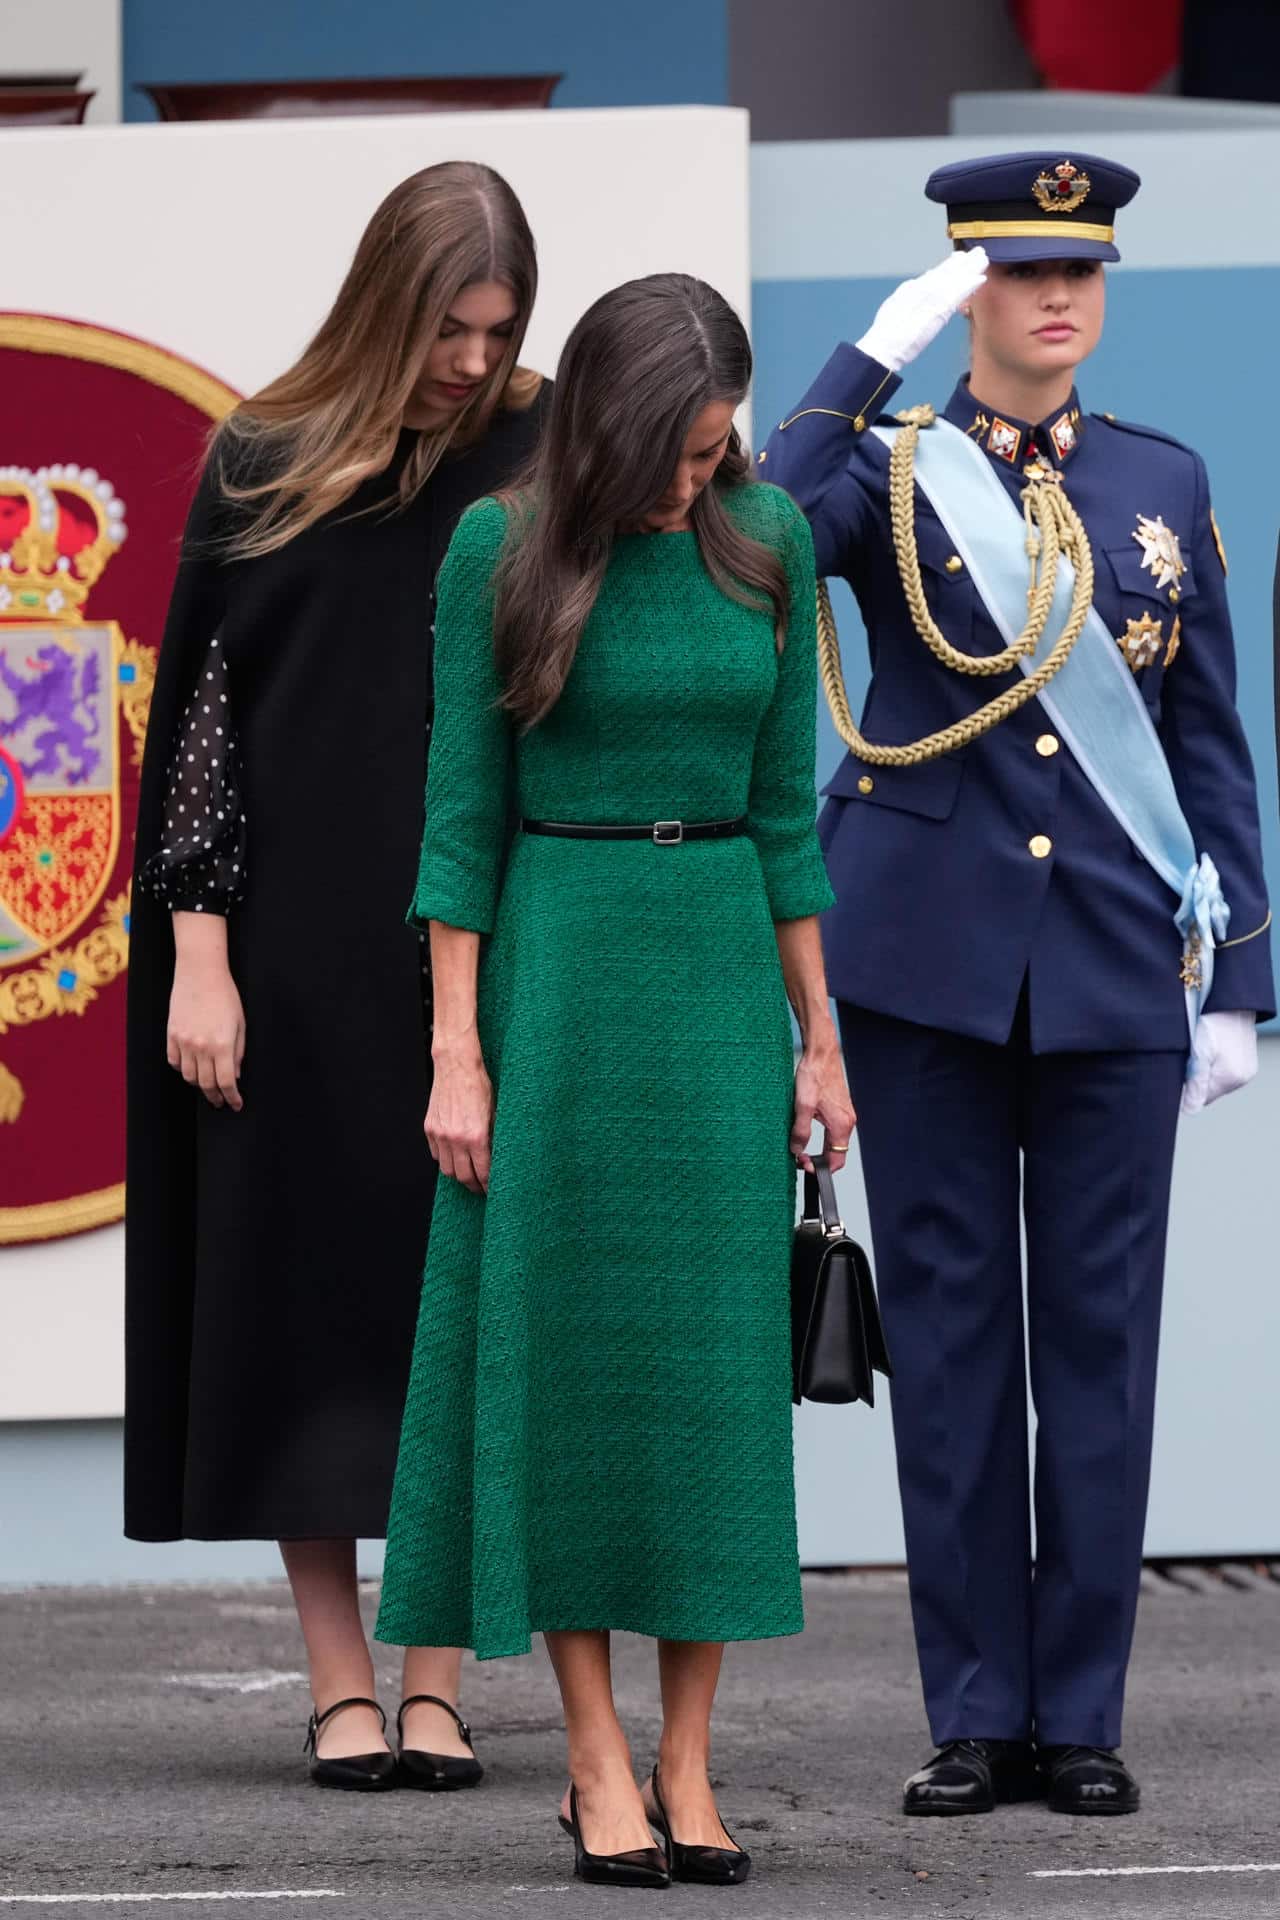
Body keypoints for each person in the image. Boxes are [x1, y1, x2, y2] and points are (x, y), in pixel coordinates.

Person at [763, 151, 1274, 1819]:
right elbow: (759, 532)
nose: (1057, 296)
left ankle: (1086, 1714)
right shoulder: (887, 469)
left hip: (1115, 967)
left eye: (1082, 270)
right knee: (955, 1343)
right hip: (925, 969)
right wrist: (865, 362)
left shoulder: (1163, 476)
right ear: (964, 289)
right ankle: (978, 1711)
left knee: (1101, 1351)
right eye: (1020, 269)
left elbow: (1207, 740)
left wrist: (1238, 978)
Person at [374, 273, 853, 1887]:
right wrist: (458, 1052)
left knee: (712, 1381)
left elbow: (785, 816)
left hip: (715, 981)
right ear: (604, 424)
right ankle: (594, 1759)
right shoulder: (498, 550)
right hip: (559, 982)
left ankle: (690, 1763)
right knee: (569, 1374)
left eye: (717, 451)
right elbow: (460, 825)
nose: (695, 481)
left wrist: (820, 1037)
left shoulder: (769, 541)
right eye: (675, 453)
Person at [126, 162, 550, 1790]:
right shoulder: (268, 452)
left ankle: (436, 1678)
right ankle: (337, 1683)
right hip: (288, 957)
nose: (473, 361)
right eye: (449, 328)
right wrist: (200, 959)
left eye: (499, 329)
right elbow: (203, 727)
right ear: (387, 307)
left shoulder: (544, 445)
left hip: (489, 942)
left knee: (461, 1306)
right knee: (294, 1307)